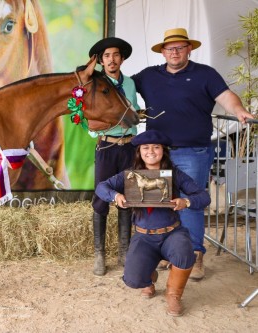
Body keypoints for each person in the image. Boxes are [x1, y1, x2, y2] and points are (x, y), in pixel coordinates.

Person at [131, 28, 254, 280]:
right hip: (157, 153)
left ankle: (196, 254)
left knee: (190, 203)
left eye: (179, 47)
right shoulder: (148, 76)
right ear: (162, 52)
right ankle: (168, 252)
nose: (174, 52)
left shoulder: (205, 74)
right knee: (158, 203)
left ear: (189, 49)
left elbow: (226, 96)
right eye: (169, 48)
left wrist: (240, 110)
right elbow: (120, 88)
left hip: (193, 151)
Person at [95, 130, 211, 316]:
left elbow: (203, 196)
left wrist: (186, 202)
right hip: (143, 235)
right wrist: (115, 195)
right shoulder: (130, 175)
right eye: (146, 148)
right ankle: (148, 278)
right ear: (139, 151)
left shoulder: (175, 174)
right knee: (132, 279)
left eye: (156, 147)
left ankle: (173, 295)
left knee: (185, 253)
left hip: (171, 232)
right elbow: (101, 187)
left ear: (163, 151)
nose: (151, 151)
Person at [88, 37, 140, 276]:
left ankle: (125, 251)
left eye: (116, 55)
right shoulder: (96, 84)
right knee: (101, 195)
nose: (112, 59)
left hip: (129, 147)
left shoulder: (130, 83)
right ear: (100, 60)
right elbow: (85, 115)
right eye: (107, 56)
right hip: (107, 147)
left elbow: (134, 112)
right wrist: (95, 127)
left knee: (128, 196)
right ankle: (99, 254)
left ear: (122, 58)